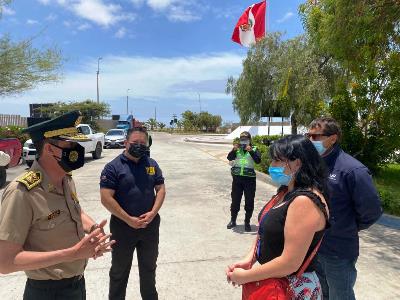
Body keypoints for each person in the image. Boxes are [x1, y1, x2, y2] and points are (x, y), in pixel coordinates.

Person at [0, 111, 115, 300]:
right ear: (49, 149)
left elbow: (75, 211)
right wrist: (71, 254)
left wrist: (93, 229)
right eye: (69, 144)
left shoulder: (66, 179)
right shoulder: (22, 192)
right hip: (47, 292)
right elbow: (5, 263)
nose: (76, 149)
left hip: (77, 285)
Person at [226, 135, 330, 299]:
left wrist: (245, 277)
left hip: (290, 288)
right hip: (273, 281)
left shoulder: (304, 201)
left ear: (297, 162)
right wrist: (250, 259)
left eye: (277, 161)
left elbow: (290, 263)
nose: (271, 166)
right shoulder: (285, 192)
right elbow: (265, 231)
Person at [307, 117, 382, 300]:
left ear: (333, 138)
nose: (311, 141)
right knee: (320, 294)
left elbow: (371, 211)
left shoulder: (352, 170)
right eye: (308, 136)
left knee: (340, 296)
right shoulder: (313, 164)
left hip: (338, 252)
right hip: (314, 247)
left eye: (316, 136)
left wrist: (347, 226)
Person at [100, 126, 166, 300]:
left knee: (149, 268)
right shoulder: (112, 167)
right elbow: (106, 198)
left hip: (149, 227)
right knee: (119, 271)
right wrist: (128, 219)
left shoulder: (151, 165)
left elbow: (160, 189)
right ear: (125, 143)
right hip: (123, 228)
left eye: (142, 143)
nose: (139, 146)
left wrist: (152, 213)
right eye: (135, 142)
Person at [227, 131, 261, 232]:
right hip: (237, 179)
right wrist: (233, 150)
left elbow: (258, 160)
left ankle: (247, 222)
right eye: (242, 139)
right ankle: (233, 220)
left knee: (249, 201)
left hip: (249, 180)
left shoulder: (254, 148)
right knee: (235, 200)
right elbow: (229, 158)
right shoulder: (237, 149)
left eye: (245, 139)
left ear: (249, 140)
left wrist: (251, 151)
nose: (243, 141)